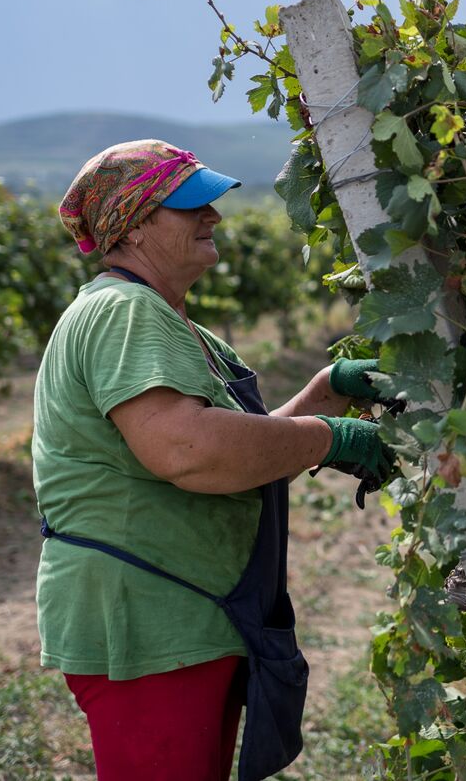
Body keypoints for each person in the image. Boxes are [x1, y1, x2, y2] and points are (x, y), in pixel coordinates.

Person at [33, 139, 395, 781]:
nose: (215, 216)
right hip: (146, 619)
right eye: (190, 204)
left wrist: (323, 393)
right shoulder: (124, 312)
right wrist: (329, 436)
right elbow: (189, 451)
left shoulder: (168, 320)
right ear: (136, 221)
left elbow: (233, 450)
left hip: (183, 613)